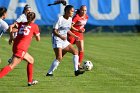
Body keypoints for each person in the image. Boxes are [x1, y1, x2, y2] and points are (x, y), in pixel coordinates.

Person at [0, 12, 40, 86]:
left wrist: (11, 37)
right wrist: (33, 35)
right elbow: (38, 39)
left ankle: (30, 81)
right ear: (34, 18)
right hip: (21, 48)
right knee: (11, 65)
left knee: (31, 60)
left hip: (16, 46)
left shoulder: (21, 23)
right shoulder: (34, 26)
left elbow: (11, 27)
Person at [46, 5, 85, 77]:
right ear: (66, 11)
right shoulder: (59, 19)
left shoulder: (70, 19)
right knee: (59, 57)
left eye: (73, 11)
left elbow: (67, 30)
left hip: (64, 40)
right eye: (71, 11)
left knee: (75, 51)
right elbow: (54, 31)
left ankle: (76, 71)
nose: (72, 13)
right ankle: (49, 73)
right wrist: (60, 36)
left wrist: (75, 36)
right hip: (57, 39)